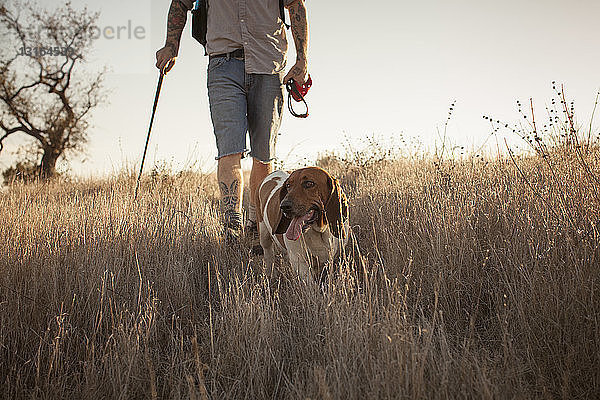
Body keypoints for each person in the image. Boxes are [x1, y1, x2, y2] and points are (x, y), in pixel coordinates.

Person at [155, 0, 309, 249]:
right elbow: (180, 3)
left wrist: (302, 60)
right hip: (223, 65)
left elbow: (296, 6)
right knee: (229, 150)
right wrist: (171, 45)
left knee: (264, 155)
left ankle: (257, 225)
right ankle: (231, 230)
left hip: (268, 65)